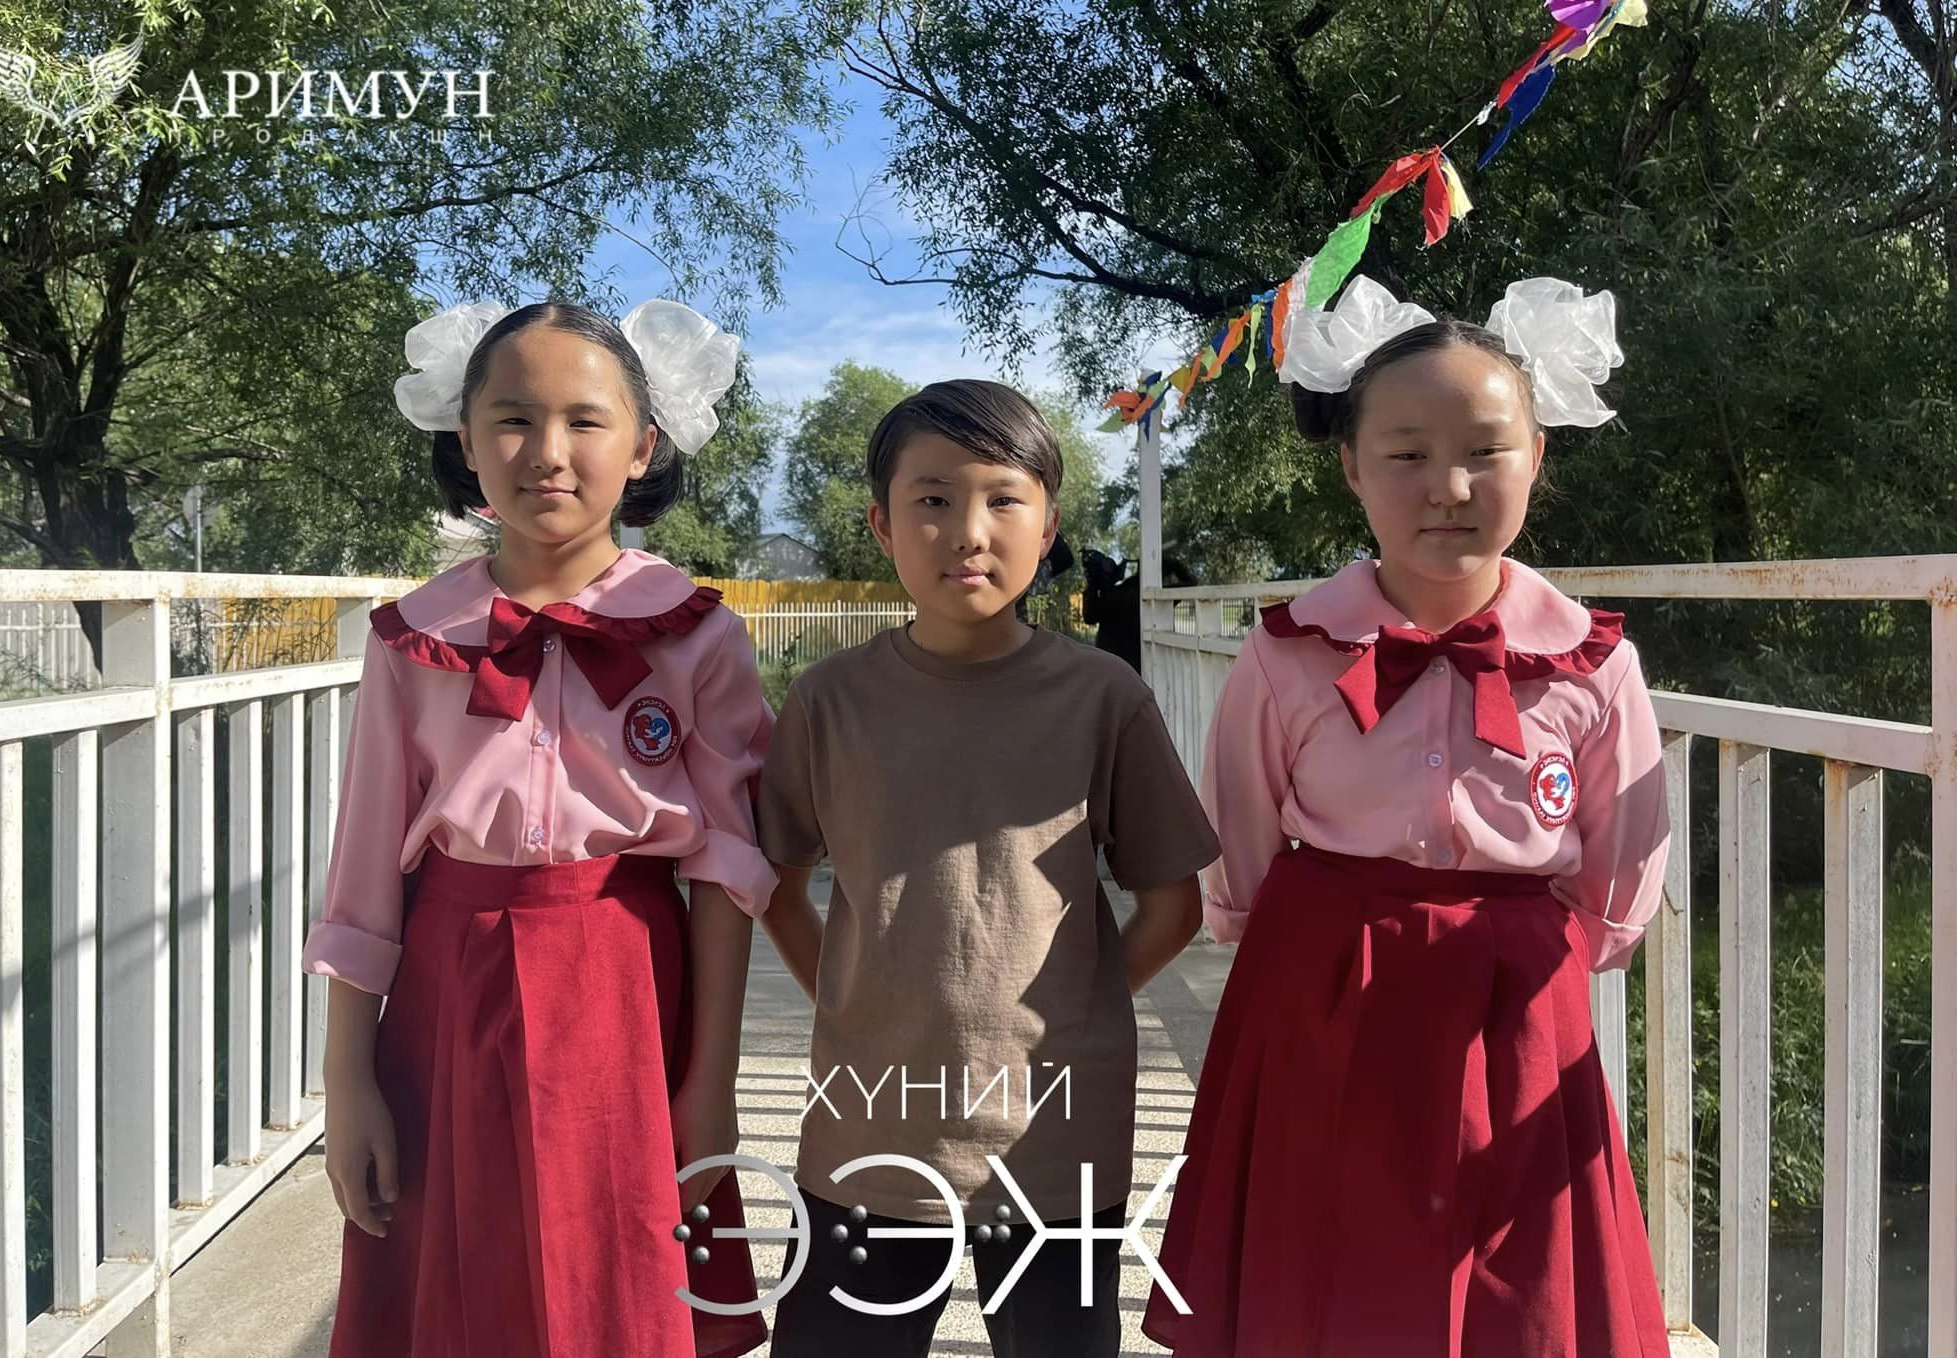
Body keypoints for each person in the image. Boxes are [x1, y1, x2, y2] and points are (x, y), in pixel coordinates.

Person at [1144, 277, 1673, 1357]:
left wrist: (1557, 953)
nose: (1448, 487)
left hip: (1515, 1002)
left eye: (1485, 451)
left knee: (1511, 1251)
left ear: (1537, 456)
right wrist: (1270, 939)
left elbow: (1617, 869)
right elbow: (1239, 829)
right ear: (1349, 464)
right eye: (1406, 454)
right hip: (1323, 982)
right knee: (1327, 1242)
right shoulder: (1287, 652)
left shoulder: (1593, 663)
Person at [302, 298, 774, 1358]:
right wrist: (348, 1082)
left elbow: (726, 869)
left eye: (585, 420)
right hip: (447, 1004)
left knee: (621, 1284)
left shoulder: (697, 636)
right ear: (466, 442)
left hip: (631, 994)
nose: (547, 452)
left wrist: (711, 1082)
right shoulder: (411, 640)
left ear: (643, 445)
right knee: (464, 1286)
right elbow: (365, 876)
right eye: (512, 419)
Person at [754, 379, 1220, 1357]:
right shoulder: (828, 703)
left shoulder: (1103, 699)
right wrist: (855, 1001)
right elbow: (778, 887)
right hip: (867, 1130)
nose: (968, 531)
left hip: (1054, 1133)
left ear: (1047, 525)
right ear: (881, 524)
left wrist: (1073, 1006)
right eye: (931, 498)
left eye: (1003, 499)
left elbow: (1172, 904)